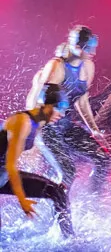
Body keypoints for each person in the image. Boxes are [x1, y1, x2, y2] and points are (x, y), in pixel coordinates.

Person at [26, 25, 110, 192]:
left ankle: (93, 204)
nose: (93, 52)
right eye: (89, 48)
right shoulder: (56, 66)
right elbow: (35, 102)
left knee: (102, 158)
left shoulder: (87, 67)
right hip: (46, 129)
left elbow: (82, 100)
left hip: (66, 127)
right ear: (77, 47)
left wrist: (93, 128)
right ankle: (56, 213)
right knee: (68, 172)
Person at [0, 84, 74, 237]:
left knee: (57, 192)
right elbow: (11, 165)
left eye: (63, 109)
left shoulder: (37, 124)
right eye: (58, 107)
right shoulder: (23, 122)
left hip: (3, 176)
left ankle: (70, 239)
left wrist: (53, 179)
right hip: (5, 174)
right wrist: (22, 200)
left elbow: (33, 155)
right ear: (44, 105)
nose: (61, 114)